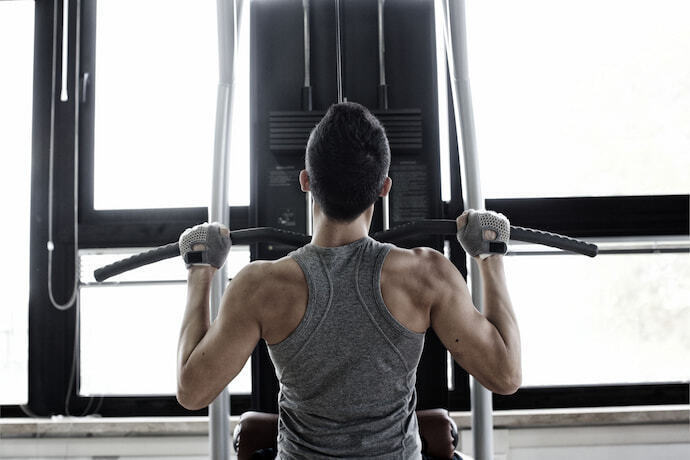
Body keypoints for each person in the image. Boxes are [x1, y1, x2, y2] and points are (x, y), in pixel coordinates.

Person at [175, 102, 521, 459]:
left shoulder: (260, 286)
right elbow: (505, 376)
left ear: (305, 180)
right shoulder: (427, 275)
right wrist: (489, 255)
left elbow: (192, 392)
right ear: (384, 187)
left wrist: (201, 269)